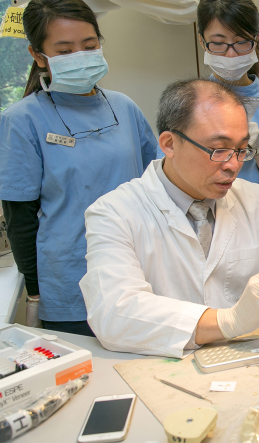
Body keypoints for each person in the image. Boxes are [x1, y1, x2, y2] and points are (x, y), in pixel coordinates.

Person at [80, 79, 259, 358]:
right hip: (165, 370)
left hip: (246, 363)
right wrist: (229, 320)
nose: (233, 165)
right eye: (219, 149)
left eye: (242, 150)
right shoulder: (113, 212)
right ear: (169, 143)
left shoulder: (254, 200)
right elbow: (115, 313)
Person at [0, 0, 158, 335]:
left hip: (140, 269)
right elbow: (20, 217)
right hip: (70, 279)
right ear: (39, 56)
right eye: (65, 50)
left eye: (89, 46)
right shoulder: (22, 120)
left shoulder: (124, 107)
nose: (81, 57)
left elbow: (159, 183)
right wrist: (35, 293)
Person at [196, 0, 259, 205]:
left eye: (241, 42)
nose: (231, 54)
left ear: (255, 40)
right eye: (218, 43)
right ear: (202, 41)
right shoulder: (189, 102)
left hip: (258, 223)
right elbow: (169, 178)